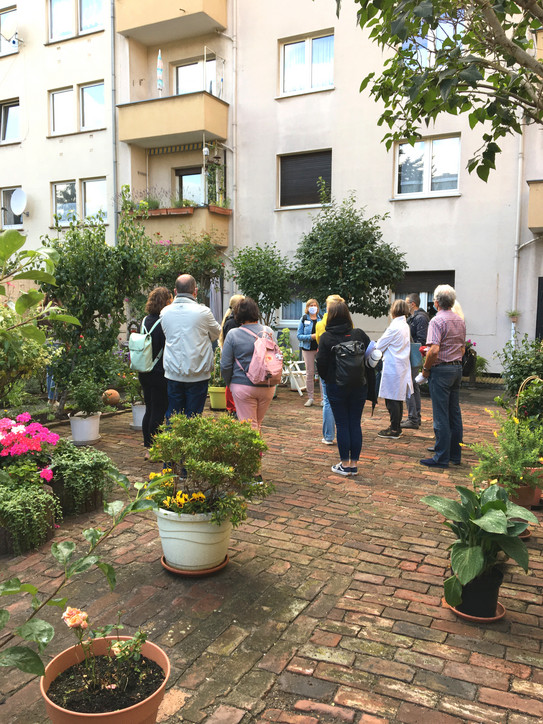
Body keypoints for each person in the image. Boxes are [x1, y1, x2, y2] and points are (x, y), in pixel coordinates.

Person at [316, 300, 376, 476]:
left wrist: (328, 379)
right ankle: (354, 464)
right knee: (354, 423)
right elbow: (370, 358)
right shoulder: (358, 334)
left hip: (336, 385)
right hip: (359, 385)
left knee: (342, 424)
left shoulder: (327, 337)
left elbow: (321, 363)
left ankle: (344, 464)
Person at [160, 274, 220, 419]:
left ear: (175, 291)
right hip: (197, 372)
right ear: (196, 291)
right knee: (193, 417)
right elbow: (217, 332)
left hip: (173, 371)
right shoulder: (203, 312)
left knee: (173, 416)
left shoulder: (164, 312)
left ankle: (170, 441)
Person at [419, 284, 466, 468]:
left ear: (436, 302)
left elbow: (434, 350)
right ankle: (455, 455)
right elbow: (462, 348)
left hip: (441, 370)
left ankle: (441, 457)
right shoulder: (459, 320)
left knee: (440, 414)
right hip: (456, 368)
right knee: (454, 413)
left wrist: (426, 369)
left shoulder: (437, 321)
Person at [220, 297, 276, 432]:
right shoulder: (268, 331)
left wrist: (230, 383)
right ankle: (258, 453)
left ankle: (254, 453)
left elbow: (225, 365)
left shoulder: (233, 334)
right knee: (258, 424)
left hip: (242, 385)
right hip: (267, 385)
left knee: (248, 427)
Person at [139, 286, 172, 459]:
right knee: (159, 410)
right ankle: (154, 449)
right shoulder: (164, 322)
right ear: (166, 302)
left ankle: (148, 447)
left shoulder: (144, 320)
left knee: (149, 408)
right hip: (159, 371)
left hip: (144, 369)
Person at [375, 299, 413, 439]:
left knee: (391, 399)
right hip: (401, 365)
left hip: (393, 366)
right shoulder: (404, 325)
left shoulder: (394, 327)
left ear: (393, 310)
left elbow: (379, 345)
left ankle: (394, 429)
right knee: (397, 398)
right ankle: (396, 427)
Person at [315, 294, 344, 445]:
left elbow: (320, 343)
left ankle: (328, 436)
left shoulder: (321, 324)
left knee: (327, 400)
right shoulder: (347, 323)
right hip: (343, 364)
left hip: (327, 364)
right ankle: (343, 433)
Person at [401, 293, 430, 430]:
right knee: (413, 386)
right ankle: (415, 417)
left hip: (414, 356)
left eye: (406, 303)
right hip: (413, 355)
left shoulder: (420, 318)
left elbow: (421, 340)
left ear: (412, 304)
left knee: (410, 386)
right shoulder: (414, 318)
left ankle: (413, 418)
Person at [218, 294, 244, 415]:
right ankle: (232, 408)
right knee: (232, 382)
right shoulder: (232, 323)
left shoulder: (232, 321)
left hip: (235, 357)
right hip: (234, 358)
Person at [297, 299, 322, 407]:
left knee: (322, 374)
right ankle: (310, 398)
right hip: (307, 349)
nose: (313, 307)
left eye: (315, 305)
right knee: (309, 373)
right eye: (311, 305)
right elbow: (299, 336)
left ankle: (323, 398)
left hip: (320, 349)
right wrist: (311, 337)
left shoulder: (321, 319)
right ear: (307, 307)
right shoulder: (304, 319)